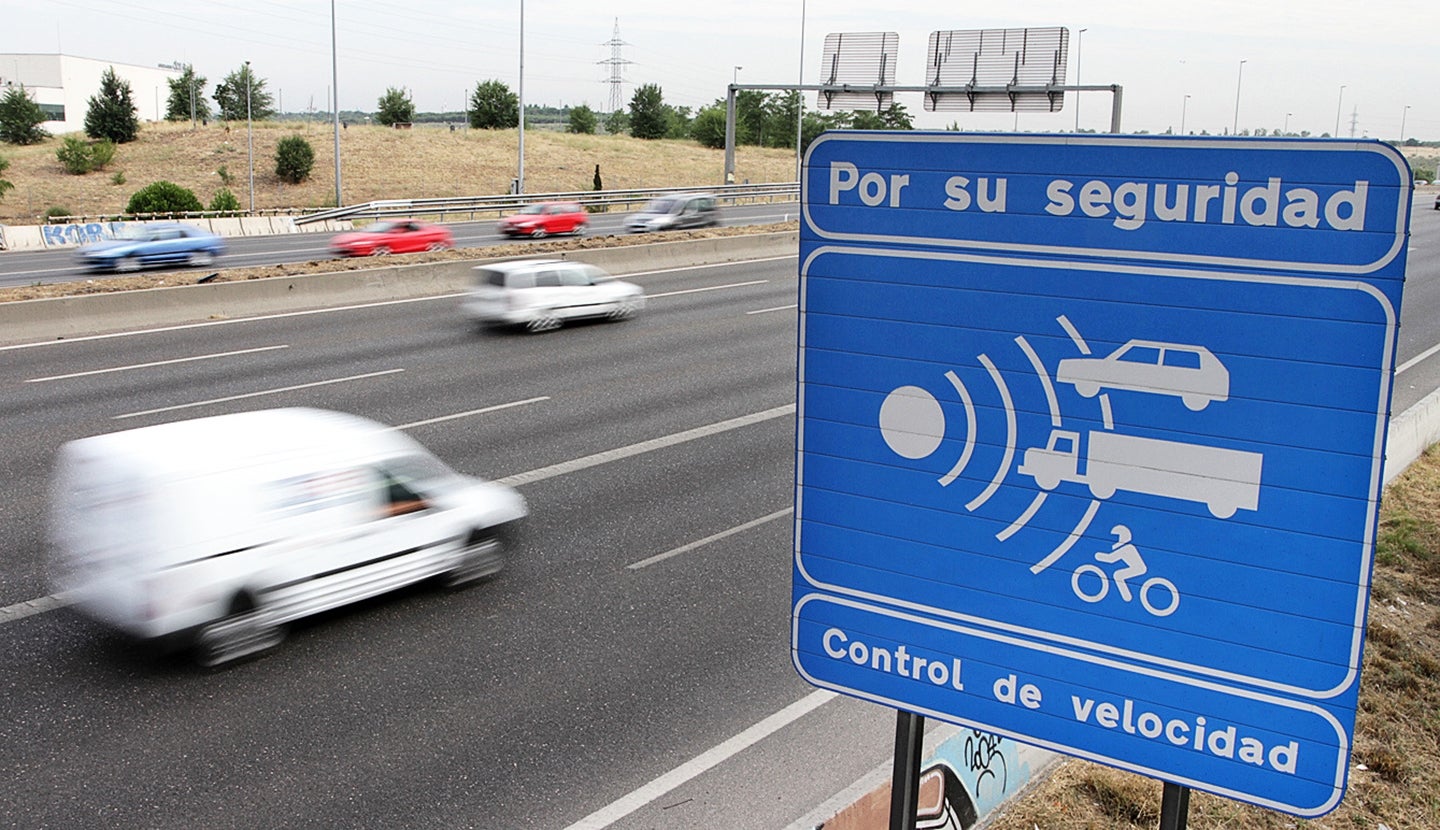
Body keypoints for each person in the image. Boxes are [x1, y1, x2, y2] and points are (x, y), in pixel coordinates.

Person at [1094, 524, 1146, 602]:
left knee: (1118, 575)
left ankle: (1127, 597)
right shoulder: (1128, 547)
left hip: (1138, 569)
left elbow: (1111, 559)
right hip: (1136, 568)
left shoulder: (1126, 548)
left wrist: (1098, 556)